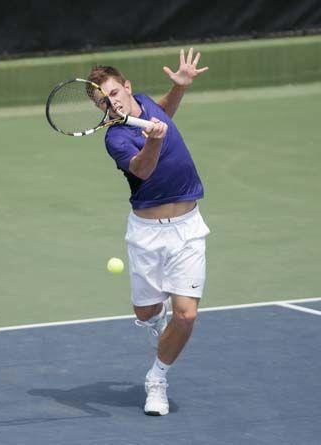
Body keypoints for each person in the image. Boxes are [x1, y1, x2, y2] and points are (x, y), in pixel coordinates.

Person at [87, 48, 210, 416]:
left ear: (127, 87)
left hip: (188, 226)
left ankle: (157, 379)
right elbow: (141, 170)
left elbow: (162, 113)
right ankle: (154, 319)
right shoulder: (115, 139)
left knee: (186, 315)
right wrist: (155, 140)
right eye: (102, 102)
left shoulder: (143, 104)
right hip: (147, 233)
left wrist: (180, 89)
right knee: (146, 312)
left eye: (113, 93)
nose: (111, 104)